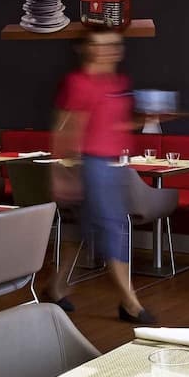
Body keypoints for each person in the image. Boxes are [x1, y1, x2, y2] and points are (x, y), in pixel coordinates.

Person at [53, 31, 155, 324]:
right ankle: (130, 303)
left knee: (85, 231)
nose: (106, 50)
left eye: (112, 44)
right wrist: (63, 172)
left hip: (117, 164)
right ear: (87, 49)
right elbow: (67, 128)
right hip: (92, 165)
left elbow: (116, 123)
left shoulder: (119, 83)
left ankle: (55, 287)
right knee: (112, 228)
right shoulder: (79, 82)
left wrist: (146, 119)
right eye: (99, 45)